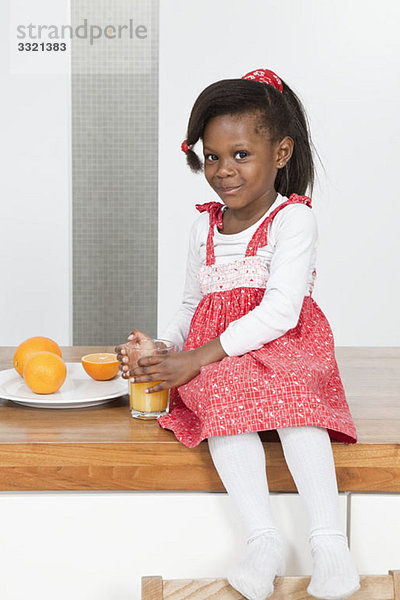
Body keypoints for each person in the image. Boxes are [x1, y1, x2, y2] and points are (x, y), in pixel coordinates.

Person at [115, 69, 360, 600]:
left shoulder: (291, 220)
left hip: (282, 349)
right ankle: (262, 539)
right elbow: (190, 305)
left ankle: (329, 543)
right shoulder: (204, 225)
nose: (224, 171)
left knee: (297, 407)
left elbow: (278, 313)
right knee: (217, 393)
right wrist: (164, 349)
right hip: (220, 360)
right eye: (212, 157)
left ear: (281, 153)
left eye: (241, 155)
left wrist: (195, 358)